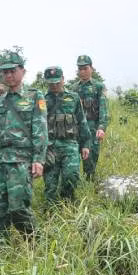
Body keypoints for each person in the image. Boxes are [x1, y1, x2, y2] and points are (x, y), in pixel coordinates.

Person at [0, 52, 48, 242]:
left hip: (21, 160)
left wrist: (39, 160)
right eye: (4, 72)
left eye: (12, 71)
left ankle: (36, 244)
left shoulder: (34, 96)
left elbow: (41, 130)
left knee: (18, 208)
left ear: (22, 71)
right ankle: (0, 251)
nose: (8, 75)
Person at [42, 66, 91, 204]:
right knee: (50, 183)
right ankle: (50, 210)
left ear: (63, 79)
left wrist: (85, 144)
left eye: (57, 82)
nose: (54, 85)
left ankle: (67, 204)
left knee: (71, 176)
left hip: (69, 145)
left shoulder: (73, 98)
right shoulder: (42, 100)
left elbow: (82, 121)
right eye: (51, 83)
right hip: (50, 147)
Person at [71, 55, 108, 180]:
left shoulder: (98, 87)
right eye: (80, 69)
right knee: (74, 159)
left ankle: (89, 185)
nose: (82, 71)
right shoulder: (74, 88)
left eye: (85, 68)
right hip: (76, 129)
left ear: (91, 68)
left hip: (92, 128)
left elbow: (103, 108)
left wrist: (102, 127)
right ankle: (74, 185)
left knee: (91, 160)